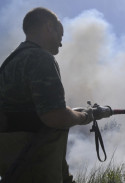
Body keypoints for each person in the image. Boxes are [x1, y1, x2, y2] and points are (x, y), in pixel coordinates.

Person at [0, 7, 94, 183]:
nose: (61, 42)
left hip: (14, 162)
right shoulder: (40, 58)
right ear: (49, 27)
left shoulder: (11, 62)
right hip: (34, 161)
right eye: (60, 34)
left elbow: (32, 113)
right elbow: (54, 116)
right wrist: (85, 116)